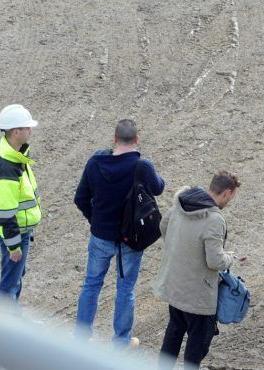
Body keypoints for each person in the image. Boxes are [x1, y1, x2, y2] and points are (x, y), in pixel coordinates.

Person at [74, 119, 165, 346]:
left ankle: (81, 338)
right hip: (130, 239)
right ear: (137, 140)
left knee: (91, 284)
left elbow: (80, 198)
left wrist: (95, 221)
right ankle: (121, 341)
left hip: (100, 236)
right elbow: (159, 188)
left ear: (114, 138)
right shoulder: (141, 166)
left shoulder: (95, 163)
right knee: (126, 289)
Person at [155, 170, 244, 369]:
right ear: (227, 193)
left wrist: (182, 249)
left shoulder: (182, 202)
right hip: (198, 296)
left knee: (174, 331)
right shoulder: (214, 219)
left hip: (175, 285)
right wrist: (230, 257)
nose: (229, 201)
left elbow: (163, 225)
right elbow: (214, 261)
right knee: (198, 344)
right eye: (231, 197)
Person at [0, 105, 41, 301]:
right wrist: (13, 245)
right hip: (14, 235)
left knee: (14, 280)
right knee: (8, 286)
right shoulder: (7, 164)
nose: (30, 130)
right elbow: (6, 211)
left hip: (18, 232)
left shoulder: (15, 155)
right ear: (16, 131)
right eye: (27, 127)